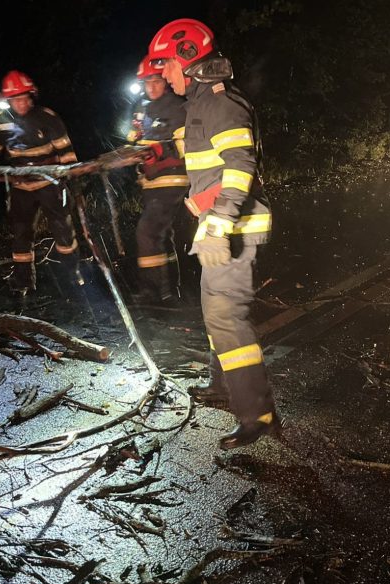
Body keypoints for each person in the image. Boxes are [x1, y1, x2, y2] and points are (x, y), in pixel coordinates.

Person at [147, 19, 282, 450]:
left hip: (233, 228)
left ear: (186, 59)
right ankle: (223, 386)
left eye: (165, 66)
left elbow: (240, 166)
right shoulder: (200, 103)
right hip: (217, 227)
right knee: (214, 313)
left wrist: (220, 227)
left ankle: (257, 414)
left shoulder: (220, 103)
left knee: (227, 317)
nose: (163, 76)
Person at [0, 70, 80, 293]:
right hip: (20, 188)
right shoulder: (1, 122)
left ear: (32, 97)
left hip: (50, 184)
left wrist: (72, 180)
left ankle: (72, 277)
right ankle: (23, 283)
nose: (21, 104)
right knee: (21, 234)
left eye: (24, 98)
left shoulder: (48, 118)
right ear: (8, 100)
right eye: (15, 99)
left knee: (63, 232)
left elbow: (67, 153)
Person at [126, 56, 188, 305]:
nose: (151, 87)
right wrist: (131, 147)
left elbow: (187, 148)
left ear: (165, 80)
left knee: (147, 232)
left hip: (172, 181)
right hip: (149, 183)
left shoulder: (178, 107)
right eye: (146, 82)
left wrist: (161, 151)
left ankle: (152, 293)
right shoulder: (140, 107)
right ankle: (171, 288)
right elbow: (132, 139)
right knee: (162, 234)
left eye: (156, 81)